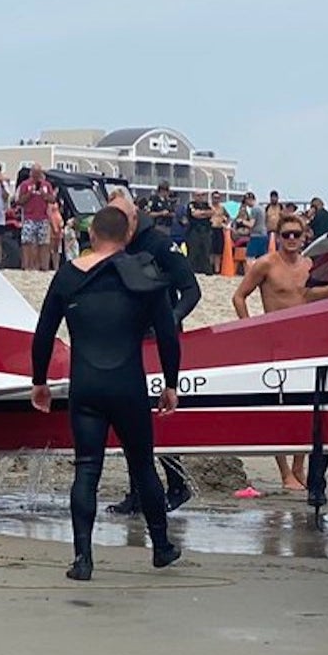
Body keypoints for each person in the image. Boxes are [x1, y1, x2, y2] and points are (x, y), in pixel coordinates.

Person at [30, 204, 182, 581]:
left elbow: (44, 333)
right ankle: (161, 548)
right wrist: (171, 383)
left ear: (93, 235)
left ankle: (83, 559)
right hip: (128, 385)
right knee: (143, 465)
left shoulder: (67, 276)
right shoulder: (145, 273)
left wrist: (39, 382)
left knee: (86, 470)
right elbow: (167, 334)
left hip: (87, 388)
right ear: (127, 236)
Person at [233, 214, 328, 493]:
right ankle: (285, 472)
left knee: (305, 406)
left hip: (305, 341)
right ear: (279, 235)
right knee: (279, 407)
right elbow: (239, 296)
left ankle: (299, 465)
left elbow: (308, 297)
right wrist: (249, 328)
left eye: (295, 235)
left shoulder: (310, 265)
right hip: (274, 341)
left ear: (304, 237)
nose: (290, 239)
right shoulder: (266, 264)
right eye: (285, 234)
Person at [104, 189, 198, 517]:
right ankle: (138, 492)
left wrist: (167, 322)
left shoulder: (159, 244)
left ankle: (176, 484)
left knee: (159, 415)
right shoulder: (114, 245)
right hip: (127, 340)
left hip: (160, 342)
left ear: (133, 218)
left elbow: (191, 291)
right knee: (130, 416)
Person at [17, 164, 54, 272]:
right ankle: (27, 266)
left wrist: (44, 195)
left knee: (43, 243)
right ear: (31, 173)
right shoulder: (25, 185)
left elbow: (52, 199)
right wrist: (30, 193)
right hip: (29, 217)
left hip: (43, 218)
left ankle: (43, 267)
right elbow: (20, 201)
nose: (36, 175)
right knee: (27, 242)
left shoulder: (47, 185)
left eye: (38, 173)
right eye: (34, 173)